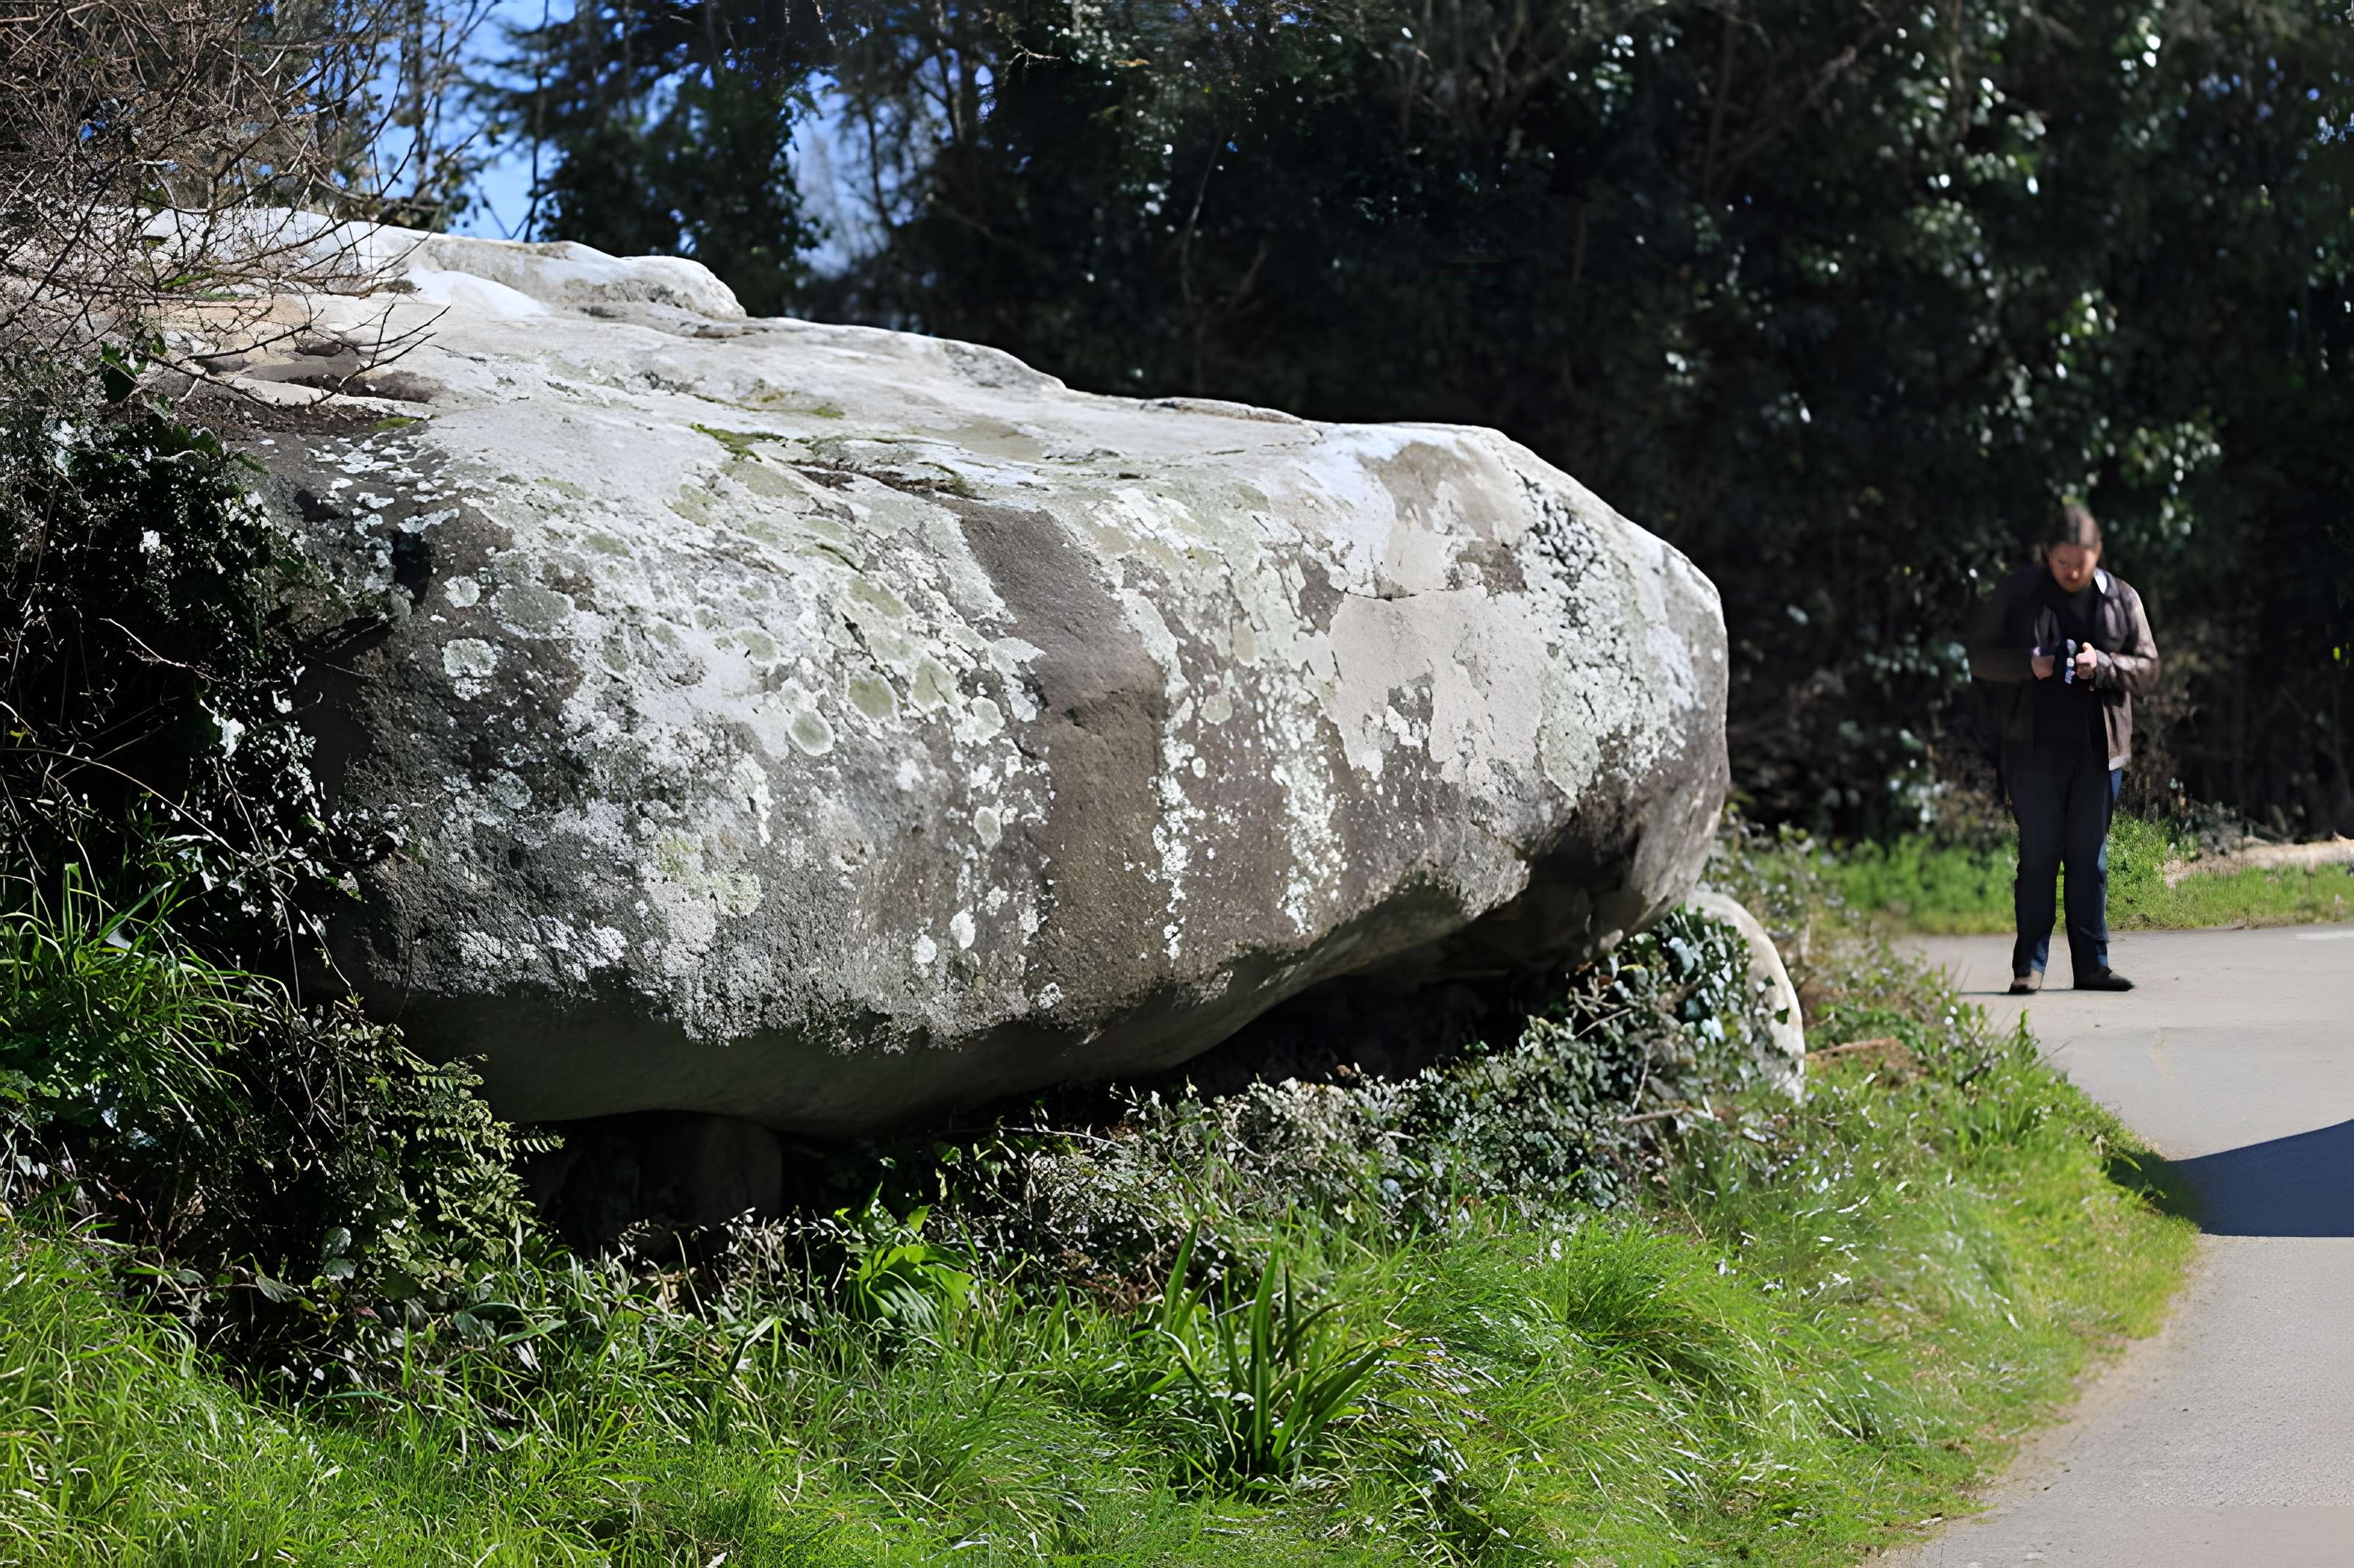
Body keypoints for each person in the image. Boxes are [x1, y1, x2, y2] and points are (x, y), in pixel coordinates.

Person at [1967, 502, 2161, 994]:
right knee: (2037, 857)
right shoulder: (2018, 592)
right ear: (2045, 556)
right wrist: (2028, 666)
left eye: (2082, 560)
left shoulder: (2121, 597)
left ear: (2098, 553)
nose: (2073, 570)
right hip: (2031, 750)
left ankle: (2093, 966)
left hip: (2099, 752)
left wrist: (2107, 665)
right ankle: (2028, 968)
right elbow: (1980, 657)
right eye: (2063, 561)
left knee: (2088, 859)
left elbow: (2149, 667)